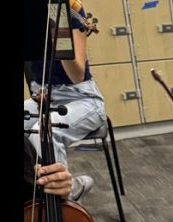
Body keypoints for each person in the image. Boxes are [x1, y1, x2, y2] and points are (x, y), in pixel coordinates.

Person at [23, 6, 105, 200]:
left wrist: (57, 30)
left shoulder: (68, 11)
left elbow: (76, 75)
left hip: (83, 99)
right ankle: (31, 196)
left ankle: (60, 202)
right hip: (44, 97)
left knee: (43, 131)